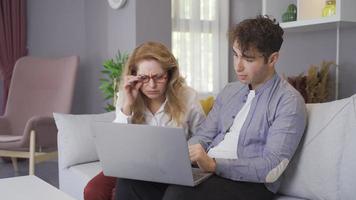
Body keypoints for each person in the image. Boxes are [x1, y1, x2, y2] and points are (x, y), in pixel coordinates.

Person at [115, 15, 307, 200]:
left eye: (248, 59)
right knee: (130, 184)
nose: (238, 66)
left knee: (181, 194)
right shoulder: (230, 91)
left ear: (272, 59)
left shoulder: (288, 101)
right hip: (207, 172)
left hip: (248, 184)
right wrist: (174, 161)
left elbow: (272, 167)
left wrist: (214, 165)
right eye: (235, 55)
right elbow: (203, 136)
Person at [83, 41, 206, 200]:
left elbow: (204, 138)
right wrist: (128, 105)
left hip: (171, 170)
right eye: (144, 78)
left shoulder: (188, 97)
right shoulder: (126, 95)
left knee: (126, 188)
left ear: (169, 74)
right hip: (131, 166)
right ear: (134, 75)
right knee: (93, 190)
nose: (152, 85)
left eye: (159, 77)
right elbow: (116, 145)